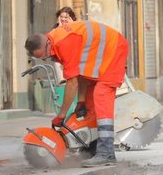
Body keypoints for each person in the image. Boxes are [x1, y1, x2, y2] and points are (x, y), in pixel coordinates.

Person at [24, 19, 129, 166]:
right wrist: (81, 101)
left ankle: (106, 153)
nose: (46, 58)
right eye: (42, 58)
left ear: (47, 43)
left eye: (45, 55)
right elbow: (81, 73)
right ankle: (93, 149)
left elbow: (72, 82)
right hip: (102, 54)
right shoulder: (55, 42)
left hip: (114, 49)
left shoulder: (64, 43)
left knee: (101, 94)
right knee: (90, 102)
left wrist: (61, 115)